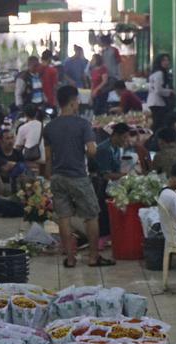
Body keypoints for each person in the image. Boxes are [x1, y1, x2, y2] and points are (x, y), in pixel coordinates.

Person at [44, 85, 115, 268]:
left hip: (58, 177)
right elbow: (92, 150)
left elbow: (48, 157)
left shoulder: (50, 127)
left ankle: (70, 258)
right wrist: (83, 152)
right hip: (78, 177)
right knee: (91, 216)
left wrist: (50, 176)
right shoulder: (83, 124)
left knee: (64, 218)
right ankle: (93, 257)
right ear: (73, 102)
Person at [93, 122, 131, 239]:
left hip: (111, 184)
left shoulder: (115, 148)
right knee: (104, 213)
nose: (126, 140)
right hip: (101, 185)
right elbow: (106, 175)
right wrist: (125, 175)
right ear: (116, 135)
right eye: (124, 137)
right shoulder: (104, 149)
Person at [147, 54, 175, 130]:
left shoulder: (155, 73)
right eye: (164, 60)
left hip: (154, 102)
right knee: (159, 124)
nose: (166, 62)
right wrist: (170, 92)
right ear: (159, 62)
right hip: (158, 103)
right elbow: (158, 90)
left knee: (157, 123)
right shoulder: (159, 73)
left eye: (167, 60)